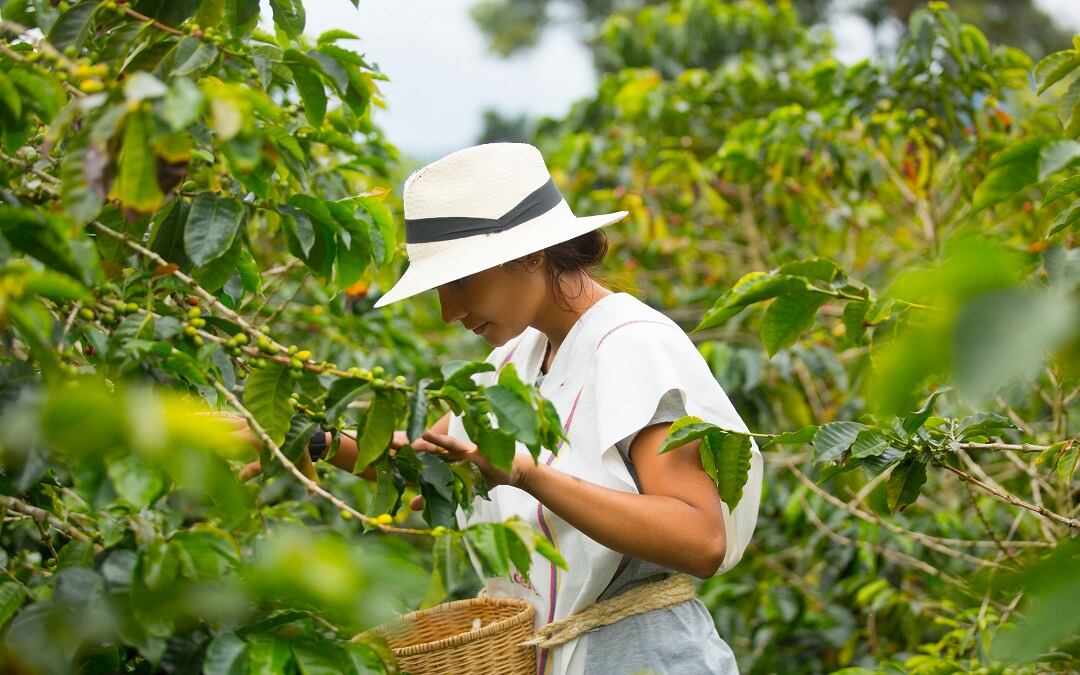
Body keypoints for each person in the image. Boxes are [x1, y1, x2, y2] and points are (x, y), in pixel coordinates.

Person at [238, 143, 763, 674]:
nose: (448, 312)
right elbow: (431, 463)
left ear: (532, 254)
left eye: (459, 282)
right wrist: (311, 440)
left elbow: (700, 538)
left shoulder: (632, 346)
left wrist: (527, 474)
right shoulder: (516, 359)